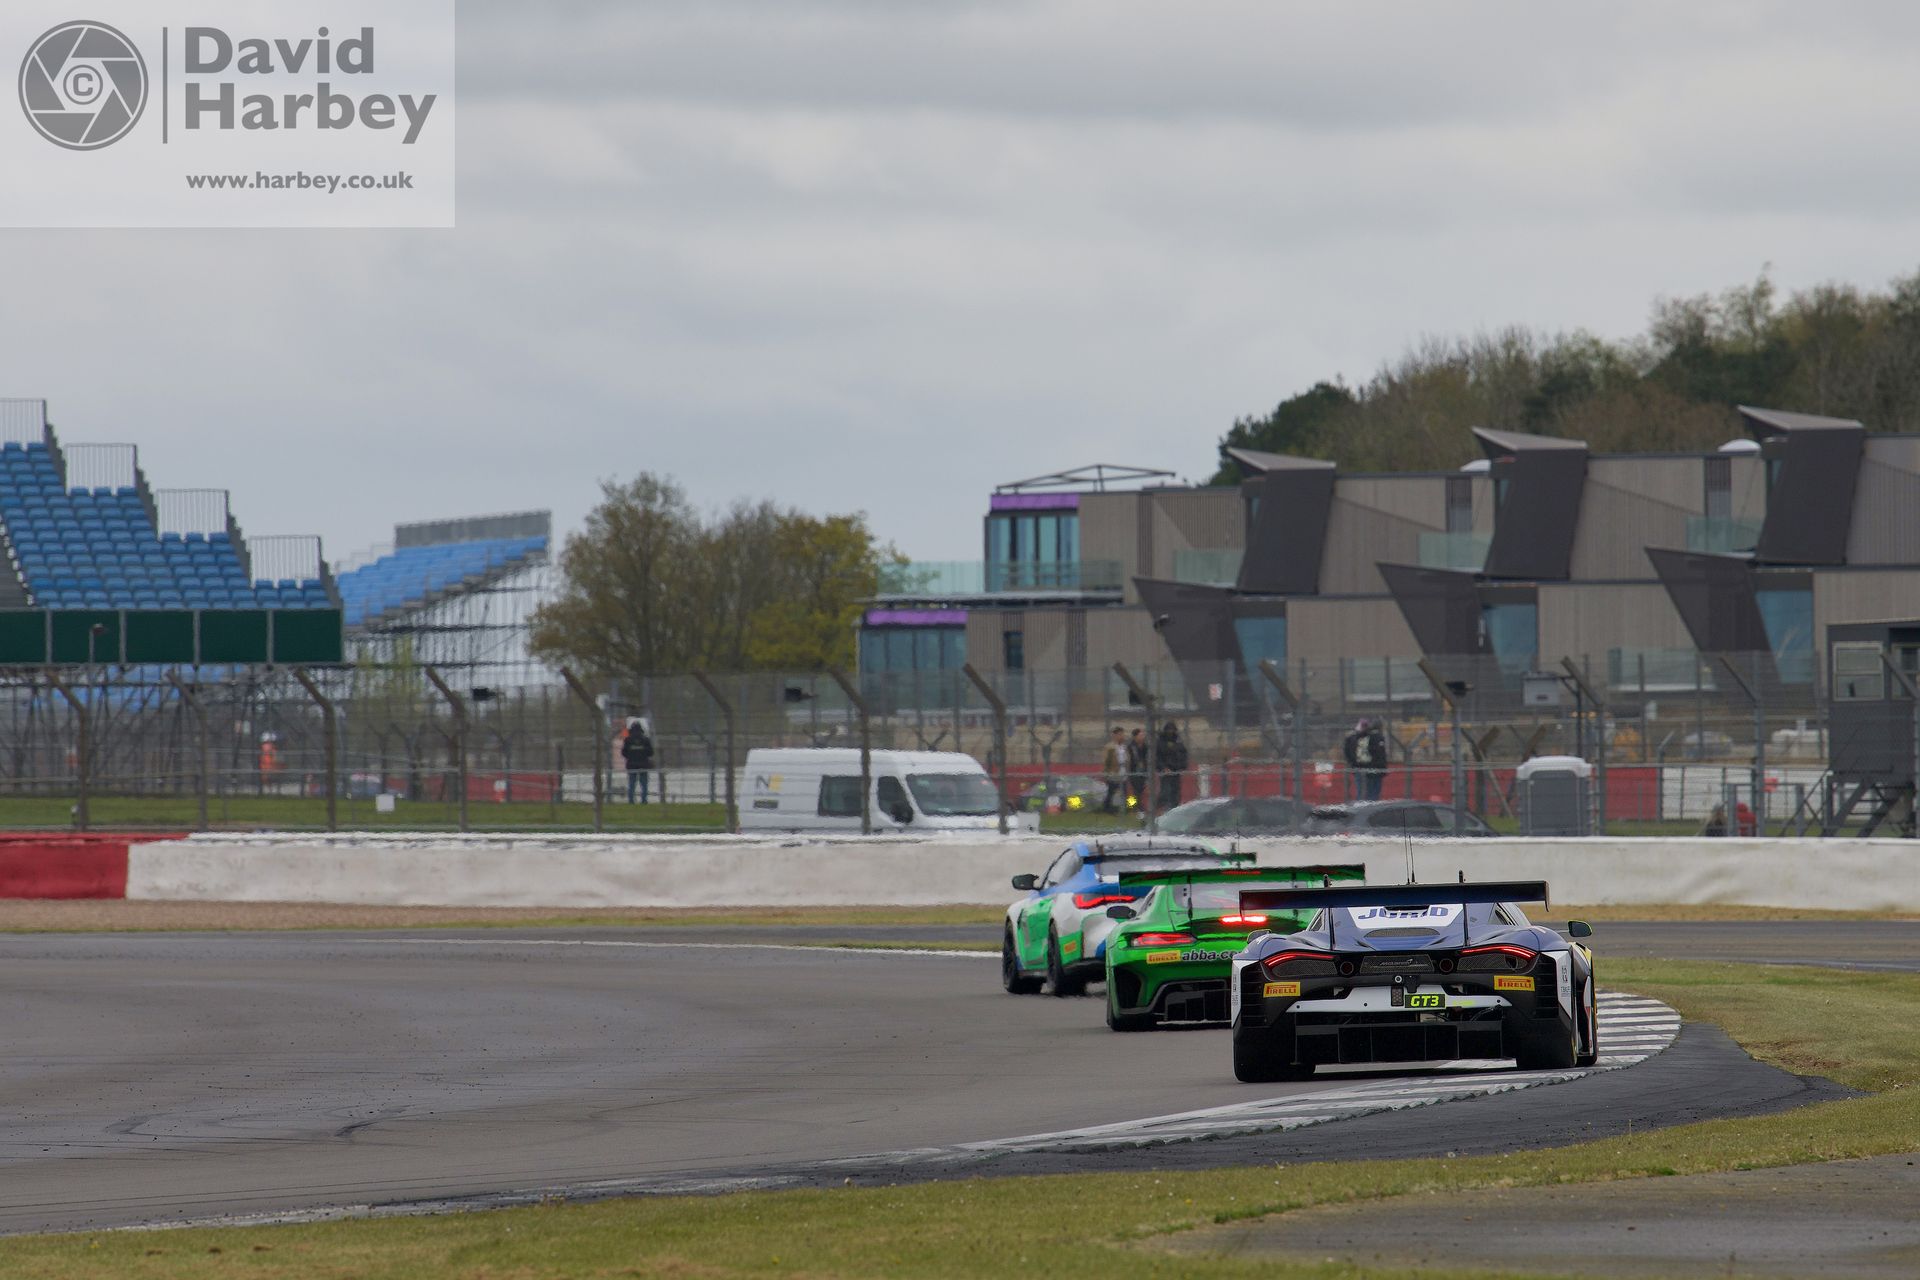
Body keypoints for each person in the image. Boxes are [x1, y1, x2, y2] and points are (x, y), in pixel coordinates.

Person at [1346, 717, 1387, 803]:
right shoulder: (1377, 737)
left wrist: (1353, 764)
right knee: (1373, 794)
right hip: (1374, 769)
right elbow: (1379, 753)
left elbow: (1348, 750)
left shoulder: (1356, 736)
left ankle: (1360, 809)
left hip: (1359, 767)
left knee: (1361, 793)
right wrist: (1382, 767)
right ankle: (1370, 811)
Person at [1155, 721, 1188, 814]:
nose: (1171, 732)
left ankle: (1174, 808)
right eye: (1169, 730)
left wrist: (1182, 766)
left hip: (1176, 769)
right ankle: (1160, 807)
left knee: (1175, 790)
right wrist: (1163, 767)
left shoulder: (1178, 741)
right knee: (1165, 790)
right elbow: (1157, 757)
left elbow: (1183, 754)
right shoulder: (1161, 742)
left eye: (1172, 730)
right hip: (1165, 770)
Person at [620, 718, 655, 804]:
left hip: (631, 764)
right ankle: (644, 800)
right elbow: (651, 752)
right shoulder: (645, 740)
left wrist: (630, 756)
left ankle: (631, 800)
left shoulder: (628, 740)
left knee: (632, 784)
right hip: (643, 764)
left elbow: (624, 752)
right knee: (644, 784)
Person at [1100, 726, 1127, 814]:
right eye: (1120, 734)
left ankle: (1123, 808)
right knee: (1112, 790)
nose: (1122, 736)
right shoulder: (1110, 747)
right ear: (1115, 735)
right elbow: (1106, 760)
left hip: (1123, 770)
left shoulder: (1124, 747)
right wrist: (1106, 772)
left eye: (1122, 734)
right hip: (1113, 771)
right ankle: (1107, 807)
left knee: (1124, 790)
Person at [1125, 728, 1149, 817]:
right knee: (1135, 791)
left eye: (1143, 735)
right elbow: (1129, 759)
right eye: (1140, 735)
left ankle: (1133, 806)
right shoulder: (1131, 746)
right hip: (1133, 771)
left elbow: (1146, 758)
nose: (1142, 737)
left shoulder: (1145, 746)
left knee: (1140, 790)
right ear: (1135, 736)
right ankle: (1138, 808)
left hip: (1143, 772)